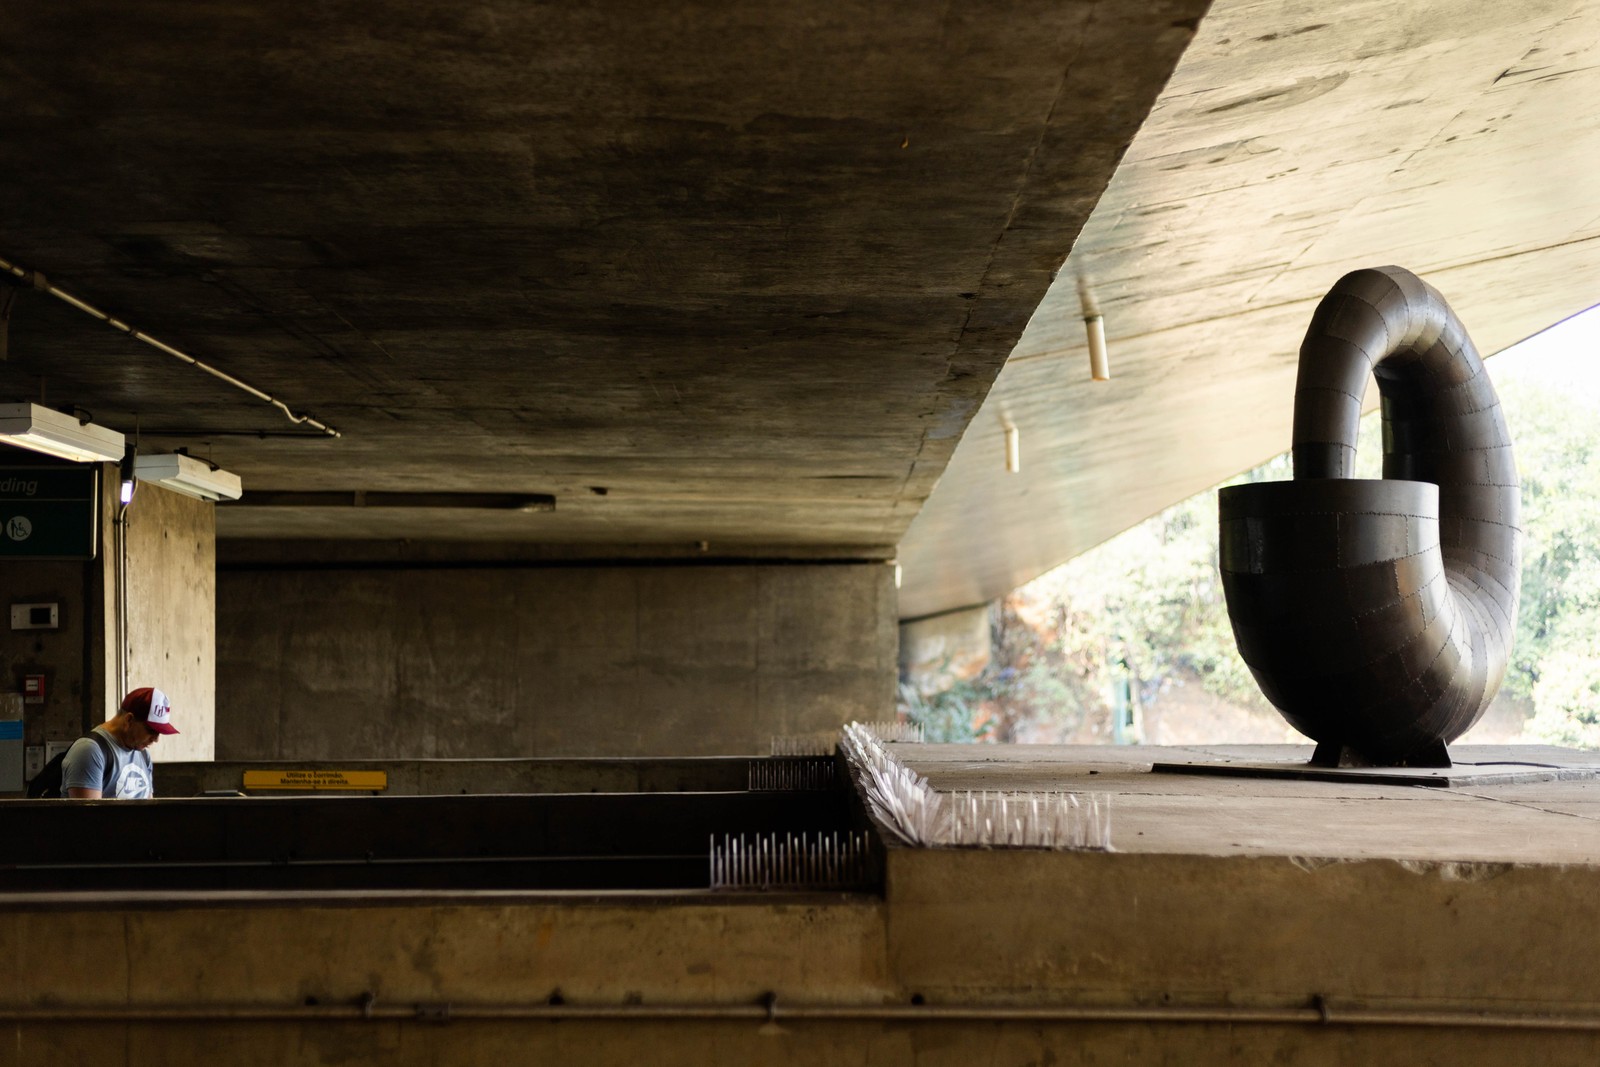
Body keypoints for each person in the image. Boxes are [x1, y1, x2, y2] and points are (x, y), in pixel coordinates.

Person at [60, 687, 179, 799]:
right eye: (151, 731)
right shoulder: (89, 751)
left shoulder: (143, 755)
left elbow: (149, 808)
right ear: (129, 720)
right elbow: (88, 817)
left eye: (159, 733)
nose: (156, 739)